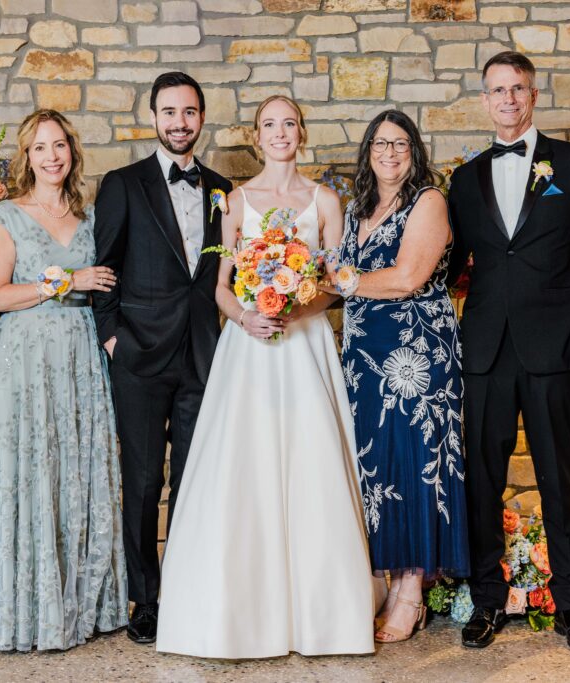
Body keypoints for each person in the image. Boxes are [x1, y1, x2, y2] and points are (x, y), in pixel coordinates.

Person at [155, 95, 374, 659]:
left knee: (312, 461)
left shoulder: (326, 200)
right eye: (270, 125)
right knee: (243, 465)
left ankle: (323, 616)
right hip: (249, 348)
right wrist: (249, 315)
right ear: (257, 136)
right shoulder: (235, 200)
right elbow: (222, 286)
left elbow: (336, 282)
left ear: (303, 132)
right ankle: (237, 614)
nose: (281, 133)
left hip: (304, 345)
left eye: (290, 123)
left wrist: (300, 307)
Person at [447, 51, 570, 655]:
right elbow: (453, 268)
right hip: (486, 353)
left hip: (555, 353)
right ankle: (487, 602)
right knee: (482, 484)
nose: (509, 100)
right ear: (485, 98)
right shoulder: (464, 180)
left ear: (534, 93)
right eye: (498, 90)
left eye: (518, 88)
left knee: (559, 482)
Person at [0, 109, 128, 651]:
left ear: (72, 153)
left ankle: (83, 604)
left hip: (80, 356)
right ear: (26, 157)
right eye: (40, 148)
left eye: (60, 146)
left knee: (76, 469)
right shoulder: (7, 214)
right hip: (23, 361)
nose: (52, 156)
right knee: (29, 470)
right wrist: (65, 282)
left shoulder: (94, 217)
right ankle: (26, 609)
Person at [91, 72, 232, 644]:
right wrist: (111, 336)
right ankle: (144, 598)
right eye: (169, 112)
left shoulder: (224, 188)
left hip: (203, 355)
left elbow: (226, 272)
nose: (180, 122)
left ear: (202, 118)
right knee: (145, 480)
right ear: (153, 117)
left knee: (196, 479)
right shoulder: (123, 184)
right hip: (139, 355)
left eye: (190, 112)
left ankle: (188, 586)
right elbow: (104, 266)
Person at [329, 110, 469, 643]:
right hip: (364, 356)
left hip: (417, 358)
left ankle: (413, 589)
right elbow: (338, 282)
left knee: (414, 461)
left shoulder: (428, 202)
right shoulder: (356, 209)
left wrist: (338, 279)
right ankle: (387, 581)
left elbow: (409, 277)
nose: (390, 153)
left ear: (415, 151)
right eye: (381, 143)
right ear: (368, 151)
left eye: (401, 144)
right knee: (375, 468)